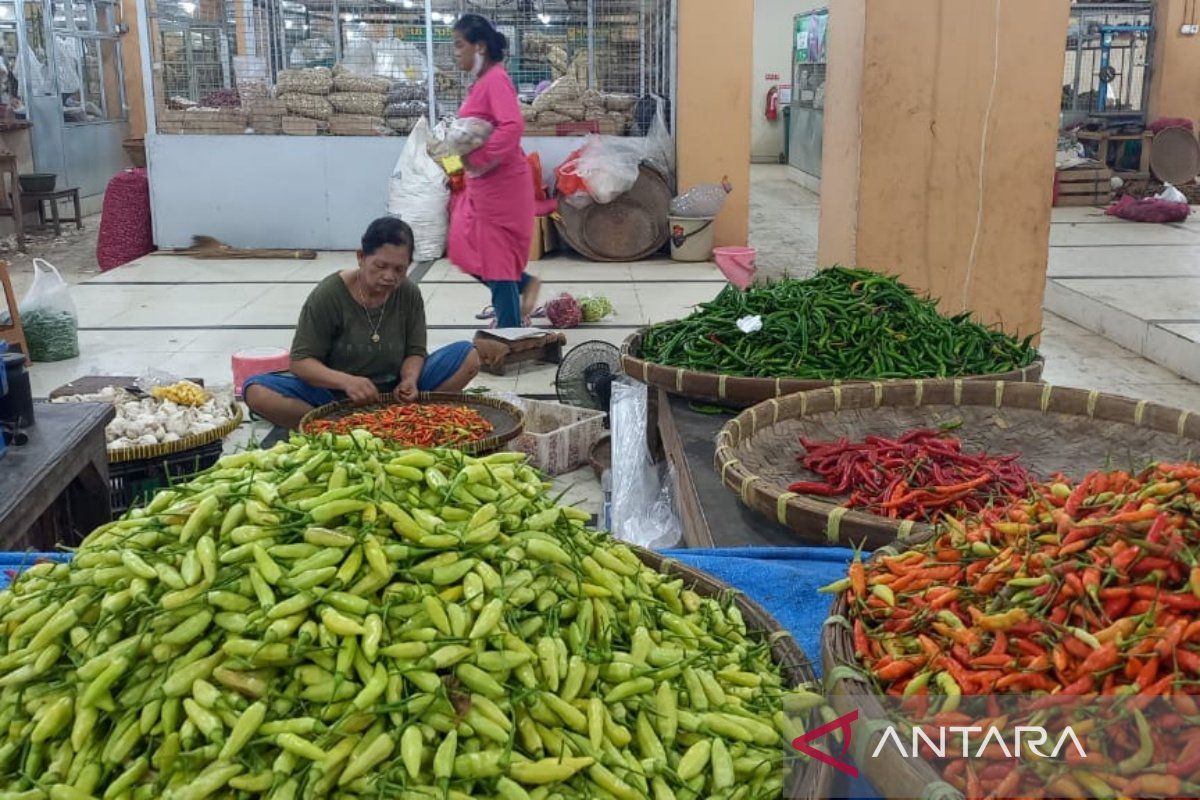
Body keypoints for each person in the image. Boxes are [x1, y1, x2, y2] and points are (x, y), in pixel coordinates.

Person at [244, 217, 480, 430]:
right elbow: (300, 362)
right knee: (256, 391)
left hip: (395, 393)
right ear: (361, 257)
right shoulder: (330, 294)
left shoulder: (408, 292)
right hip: (333, 396)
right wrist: (346, 382)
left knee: (467, 356)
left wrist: (409, 379)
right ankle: (340, 426)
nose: (390, 276)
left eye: (400, 269)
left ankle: (405, 417)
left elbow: (415, 351)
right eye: (380, 266)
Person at [448, 13, 541, 329]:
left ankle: (510, 335)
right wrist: (453, 162)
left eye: (460, 45)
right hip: (479, 185)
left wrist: (480, 158)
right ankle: (524, 283)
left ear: (481, 46)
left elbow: (513, 125)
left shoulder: (496, 79)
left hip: (502, 186)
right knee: (462, 249)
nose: (456, 52)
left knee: (497, 260)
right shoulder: (479, 84)